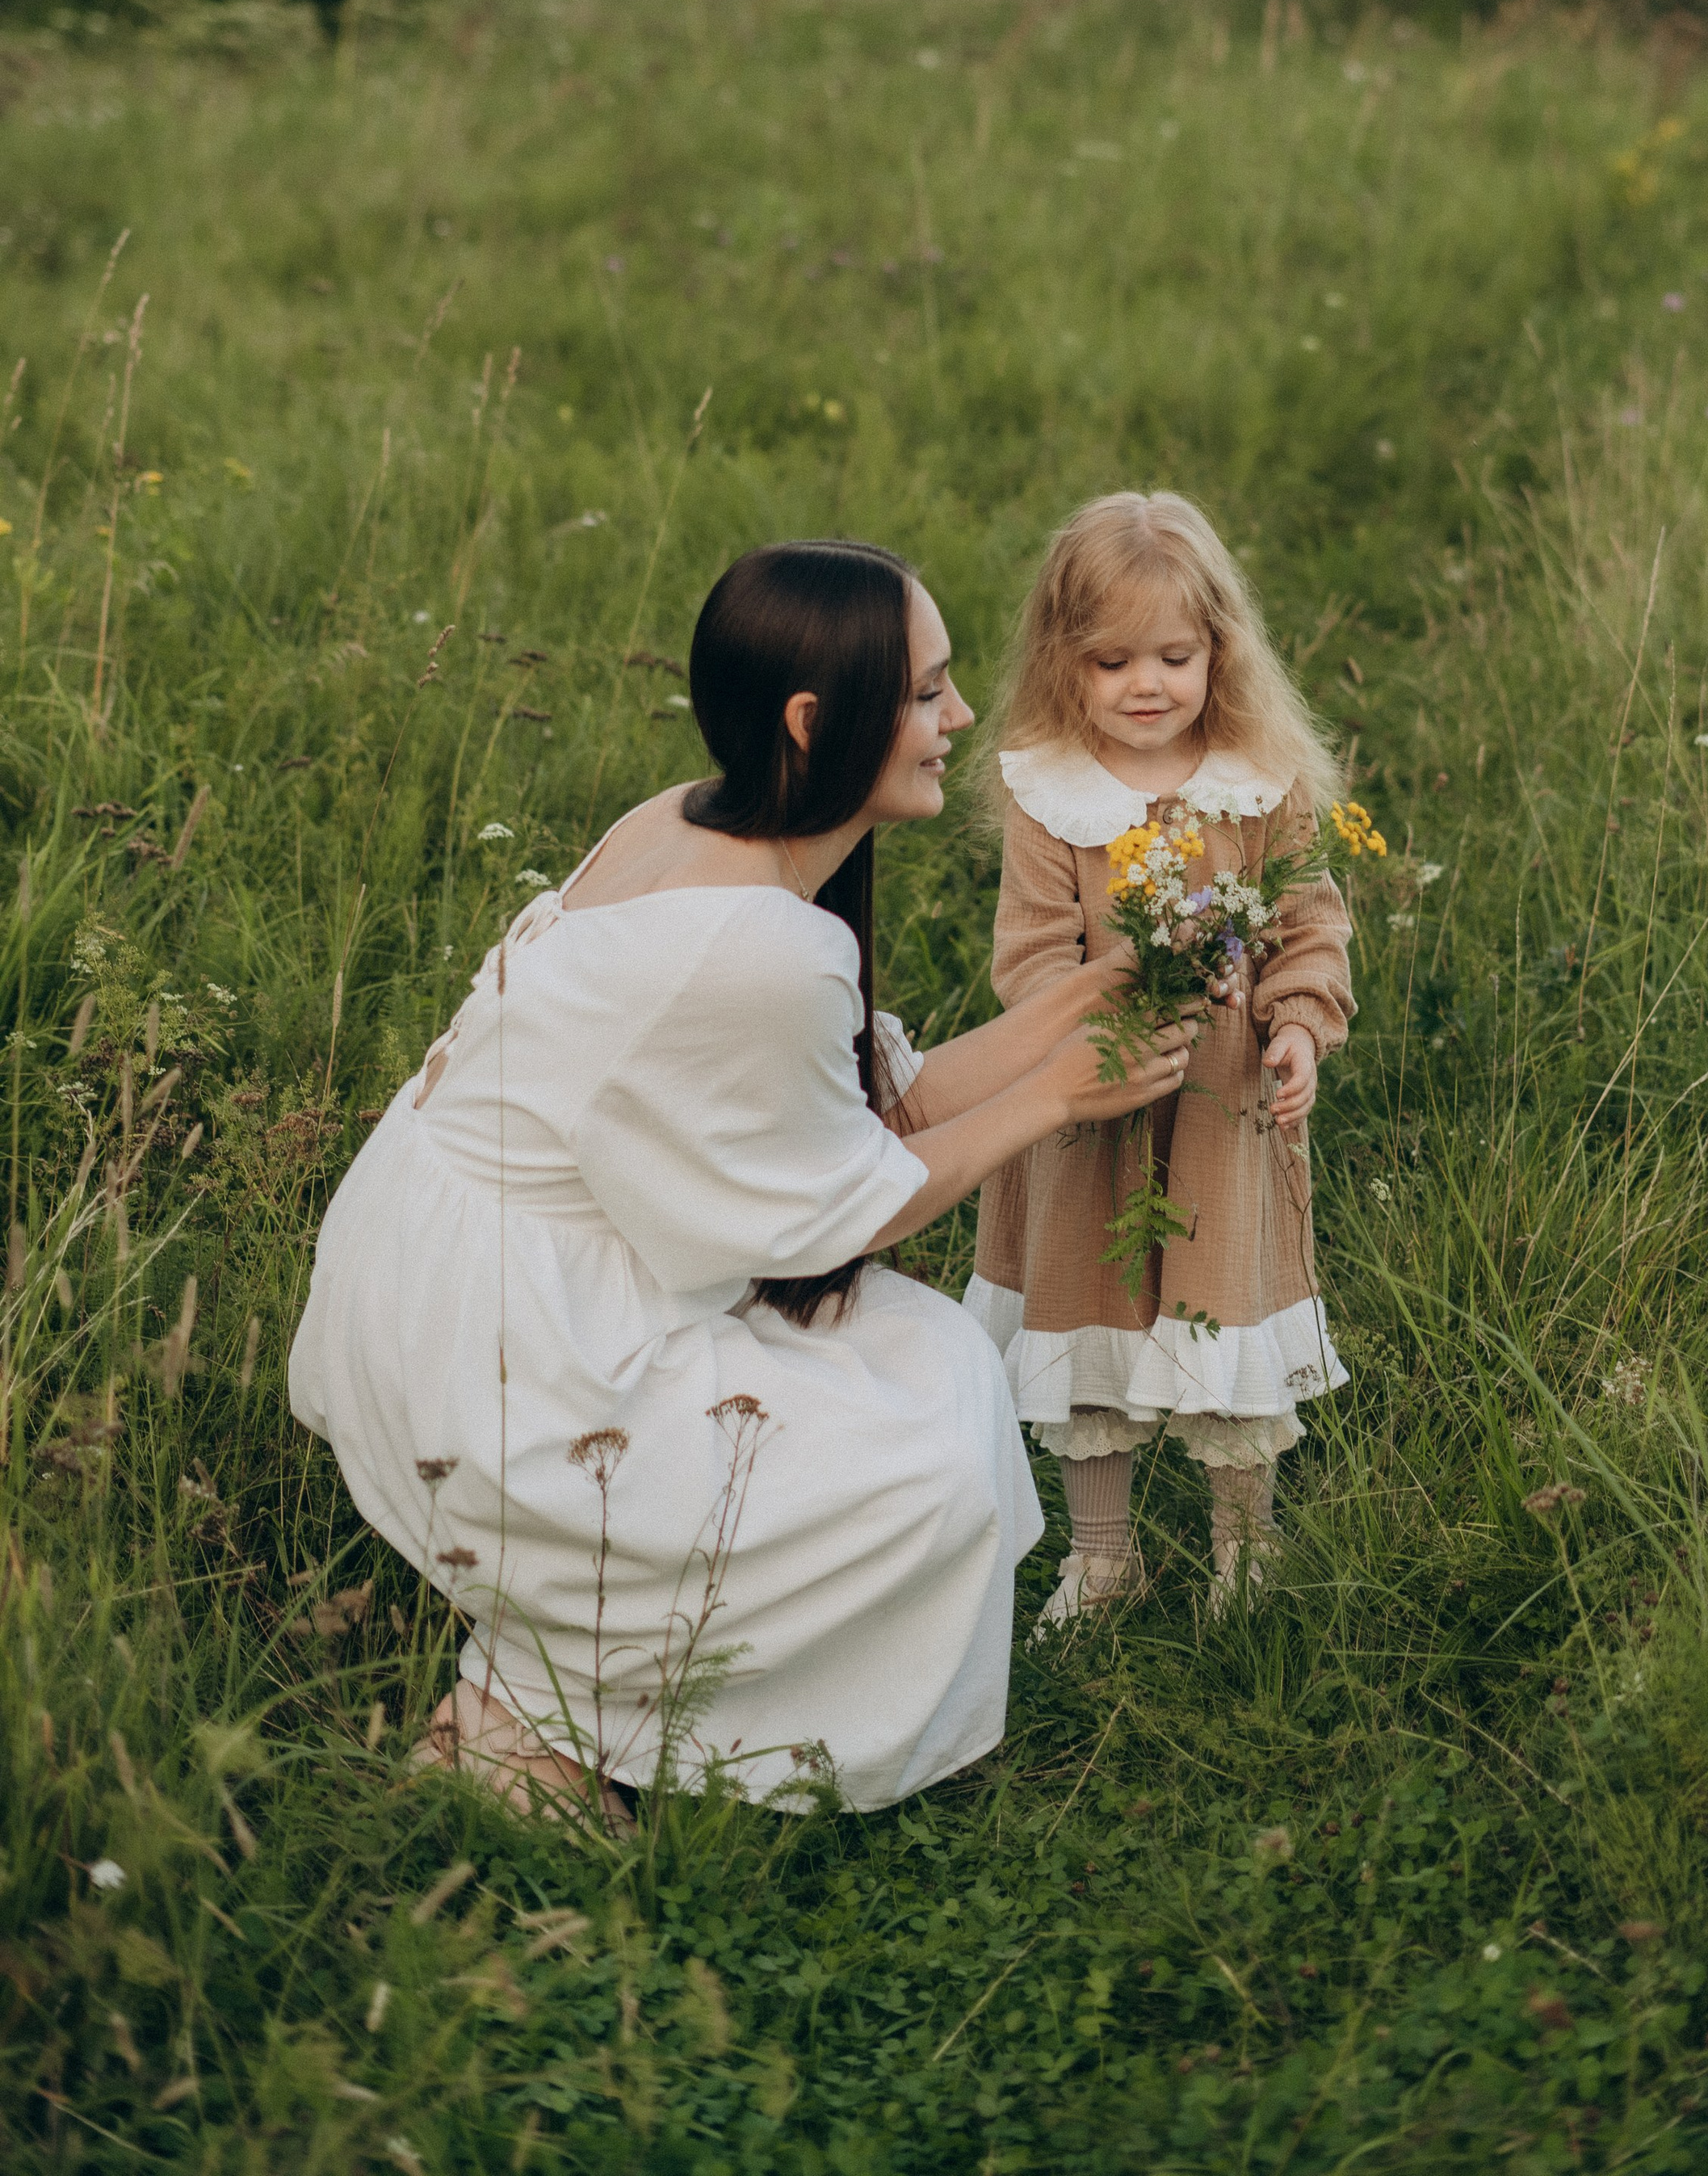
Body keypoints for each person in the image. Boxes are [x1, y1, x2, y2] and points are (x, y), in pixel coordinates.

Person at [288, 540, 1194, 1821]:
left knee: (931, 1360)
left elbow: (876, 1107)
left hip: (451, 1264)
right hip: (502, 1346)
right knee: (923, 1462)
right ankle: (525, 1722)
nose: (958, 717)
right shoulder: (758, 945)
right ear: (814, 723)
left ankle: (550, 1686)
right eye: (925, 692)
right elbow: (844, 1210)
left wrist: (1080, 1000)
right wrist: (1055, 1098)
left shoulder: (689, 819)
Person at [964, 491, 1356, 1627]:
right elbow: (1033, 954)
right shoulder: (1053, 794)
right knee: (1086, 1304)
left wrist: (1295, 1025)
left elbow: (1307, 924)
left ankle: (1246, 1547)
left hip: (1222, 1100)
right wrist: (1102, 1024)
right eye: (1113, 661)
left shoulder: (1255, 781)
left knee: (1222, 1295)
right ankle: (1102, 1558)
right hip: (1089, 1097)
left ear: (1218, 651)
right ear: (1064, 662)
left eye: (1175, 658)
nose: (1148, 685)